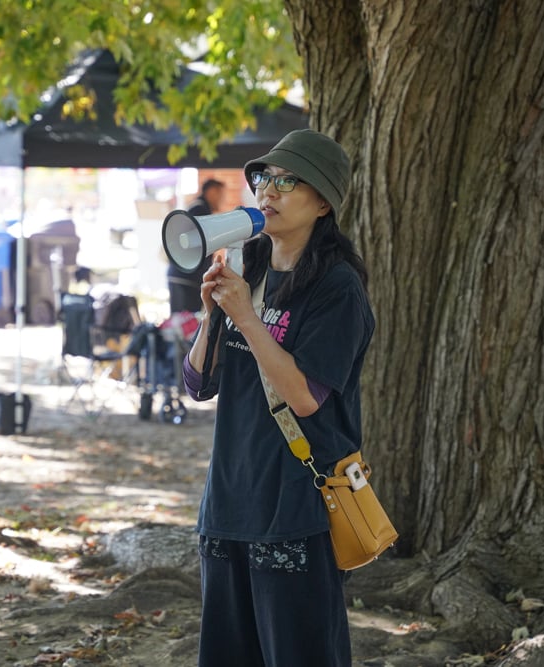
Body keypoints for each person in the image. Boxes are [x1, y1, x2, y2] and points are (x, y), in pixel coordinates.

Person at [181, 129, 374, 667]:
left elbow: (306, 397)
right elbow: (198, 386)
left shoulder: (337, 288)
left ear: (324, 202)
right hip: (228, 500)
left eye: (288, 180)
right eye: (264, 177)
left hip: (294, 504)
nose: (269, 189)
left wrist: (246, 314)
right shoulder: (249, 265)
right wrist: (212, 315)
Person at [167, 178, 225, 313]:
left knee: (183, 323)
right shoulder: (200, 210)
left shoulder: (197, 208)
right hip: (186, 278)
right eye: (220, 194)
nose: (222, 199)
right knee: (184, 324)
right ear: (211, 192)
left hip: (184, 276)